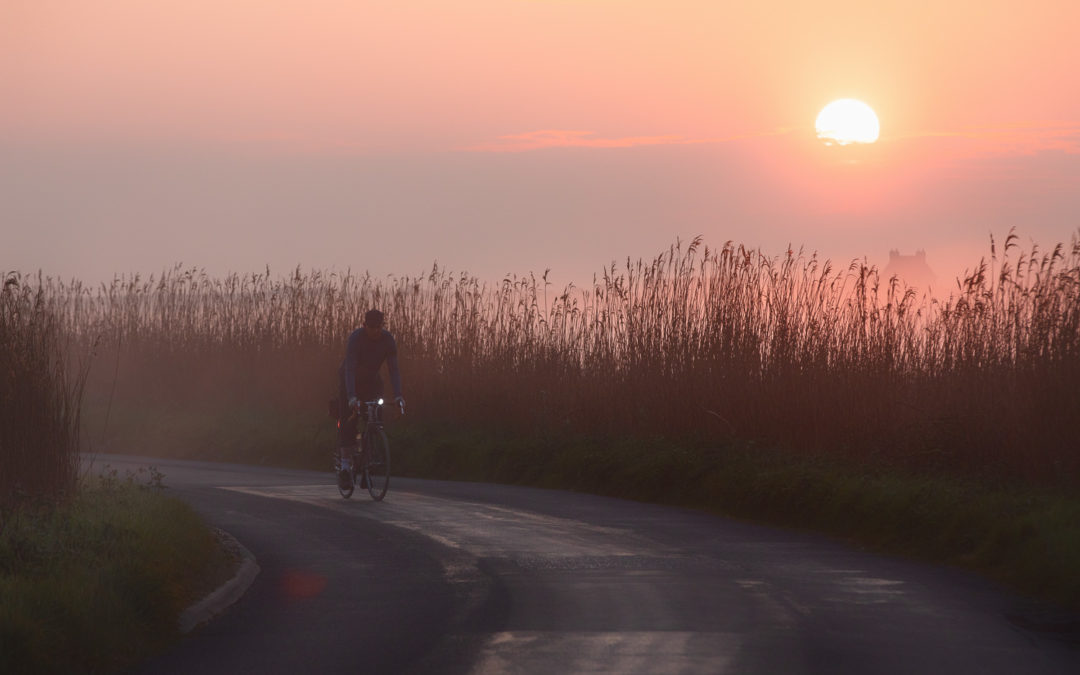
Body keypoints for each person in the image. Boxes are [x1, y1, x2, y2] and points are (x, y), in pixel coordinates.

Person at [337, 309, 404, 458]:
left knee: (375, 413)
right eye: (372, 327)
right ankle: (345, 465)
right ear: (364, 325)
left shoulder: (388, 340)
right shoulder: (356, 339)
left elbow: (394, 370)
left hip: (371, 379)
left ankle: (371, 445)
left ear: (383, 325)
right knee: (349, 419)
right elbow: (350, 368)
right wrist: (351, 397)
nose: (375, 330)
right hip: (350, 379)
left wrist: (398, 396)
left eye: (379, 327)